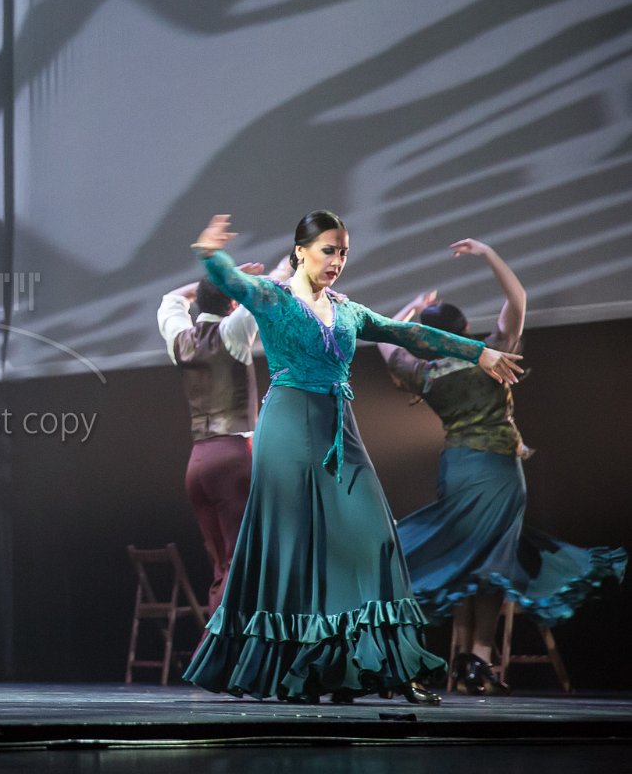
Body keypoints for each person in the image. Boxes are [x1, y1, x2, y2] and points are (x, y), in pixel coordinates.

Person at [181, 212, 523, 704]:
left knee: (376, 538)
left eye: (343, 252)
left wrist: (479, 353)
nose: (337, 260)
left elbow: (406, 334)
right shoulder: (274, 298)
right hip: (288, 426)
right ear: (300, 251)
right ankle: (298, 669)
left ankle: (392, 666)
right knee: (296, 548)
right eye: (328, 250)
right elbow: (233, 282)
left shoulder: (347, 310)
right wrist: (211, 253)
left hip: (339, 428)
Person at [380, 239, 626, 695]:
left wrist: (412, 308)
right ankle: (477, 657)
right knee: (493, 559)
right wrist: (489, 253)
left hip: (457, 469)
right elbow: (518, 299)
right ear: (464, 329)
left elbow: (384, 339)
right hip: (496, 469)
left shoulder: (424, 374)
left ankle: (469, 662)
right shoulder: (491, 357)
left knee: (469, 557)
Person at [157, 264, 267, 616]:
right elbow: (269, 287)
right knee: (242, 560)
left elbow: (172, 298)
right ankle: (230, 646)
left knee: (222, 565)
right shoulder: (232, 331)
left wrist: (215, 280)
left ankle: (216, 642)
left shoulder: (181, 340)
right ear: (232, 304)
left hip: (198, 463)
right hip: (233, 458)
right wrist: (236, 282)